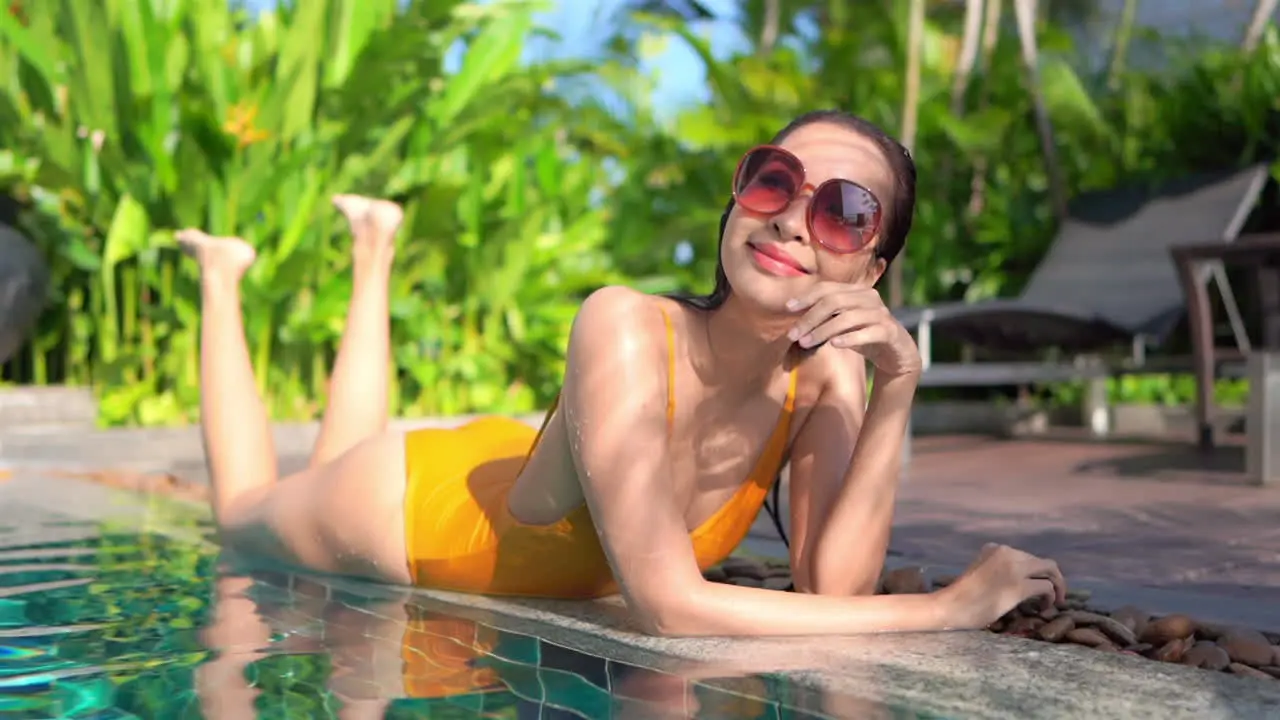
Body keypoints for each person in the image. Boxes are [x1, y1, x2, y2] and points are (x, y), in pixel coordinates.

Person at [177, 109, 1066, 638]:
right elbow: (669, 606)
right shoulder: (623, 322)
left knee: (340, 444)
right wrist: (946, 609)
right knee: (237, 517)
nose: (795, 219)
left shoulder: (826, 379)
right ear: (739, 199)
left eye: (845, 211)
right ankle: (222, 275)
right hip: (407, 509)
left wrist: (895, 385)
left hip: (516, 459)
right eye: (774, 181)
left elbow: (833, 590)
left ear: (872, 272)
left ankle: (374, 247)